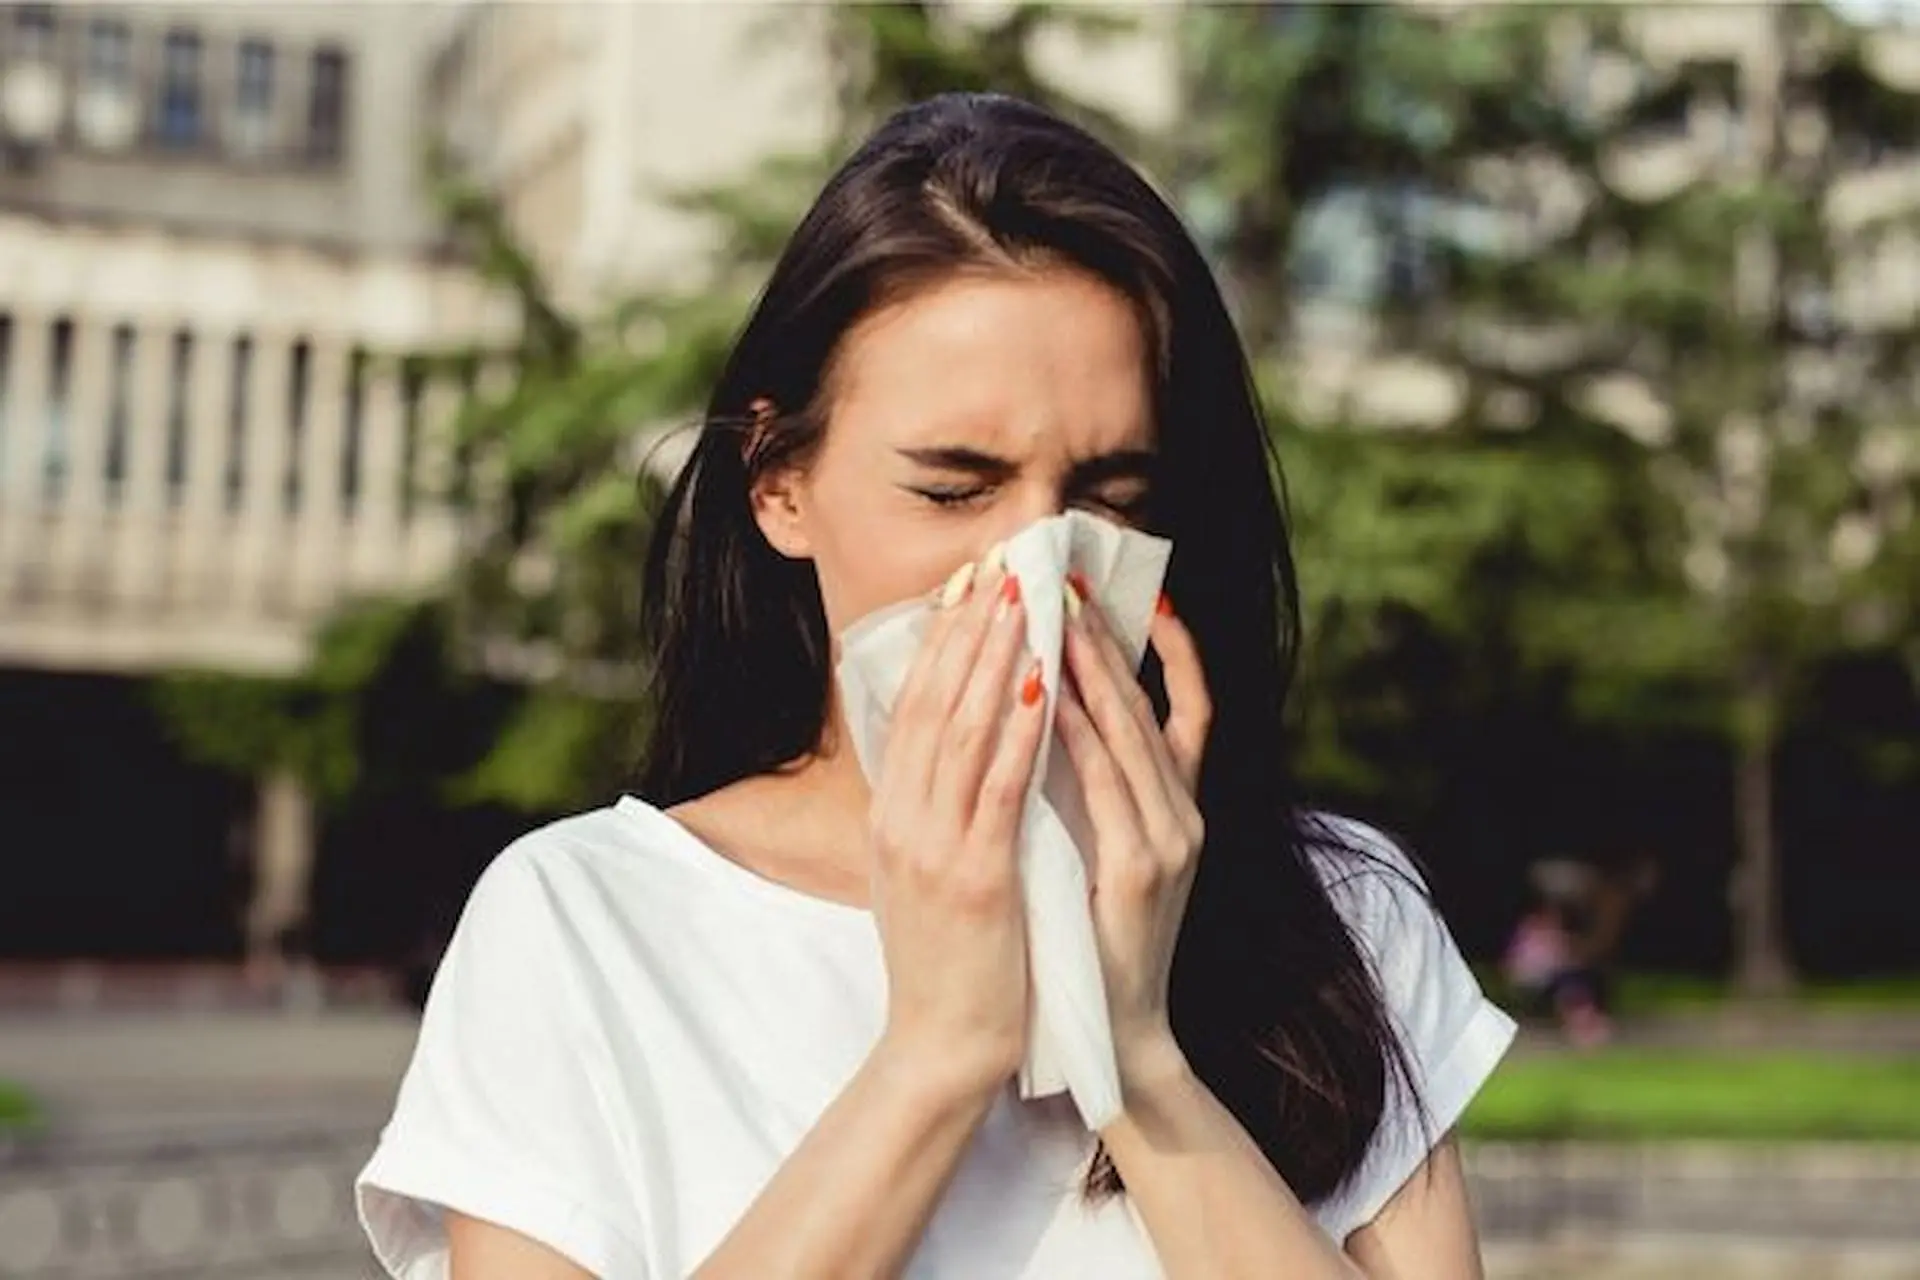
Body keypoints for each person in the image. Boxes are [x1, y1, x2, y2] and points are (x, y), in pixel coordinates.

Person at [356, 93, 1517, 1279]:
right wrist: (935, 1054)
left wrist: (1136, 1051)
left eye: (1108, 498)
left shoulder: (1335, 918)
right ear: (779, 484)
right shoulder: (585, 923)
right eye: (954, 490)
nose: (1036, 568)